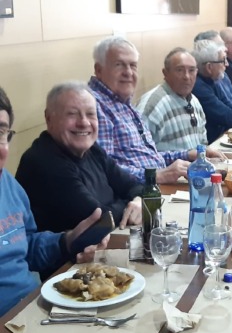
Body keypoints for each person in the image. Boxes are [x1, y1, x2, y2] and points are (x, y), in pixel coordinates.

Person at [0, 86, 108, 317]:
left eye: (0, 132)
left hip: (32, 307)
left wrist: (67, 240)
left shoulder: (7, 184)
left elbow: (27, 247)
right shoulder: (43, 160)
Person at [87, 36, 223, 184]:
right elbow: (103, 172)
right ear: (99, 70)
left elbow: (148, 156)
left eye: (133, 65)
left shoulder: (122, 102)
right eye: (119, 65)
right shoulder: (93, 107)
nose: (128, 72)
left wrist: (187, 155)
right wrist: (157, 175)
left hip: (154, 186)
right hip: (136, 193)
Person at [16, 81, 143, 233]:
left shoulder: (93, 150)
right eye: (72, 114)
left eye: (90, 114)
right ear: (49, 119)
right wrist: (130, 205)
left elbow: (135, 186)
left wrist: (138, 201)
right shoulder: (43, 162)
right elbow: (98, 220)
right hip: (72, 248)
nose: (84, 122)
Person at [136, 48, 208, 152]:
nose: (187, 76)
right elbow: (139, 152)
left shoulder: (194, 101)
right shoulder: (153, 105)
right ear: (165, 73)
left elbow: (203, 143)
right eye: (179, 70)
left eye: (191, 70)